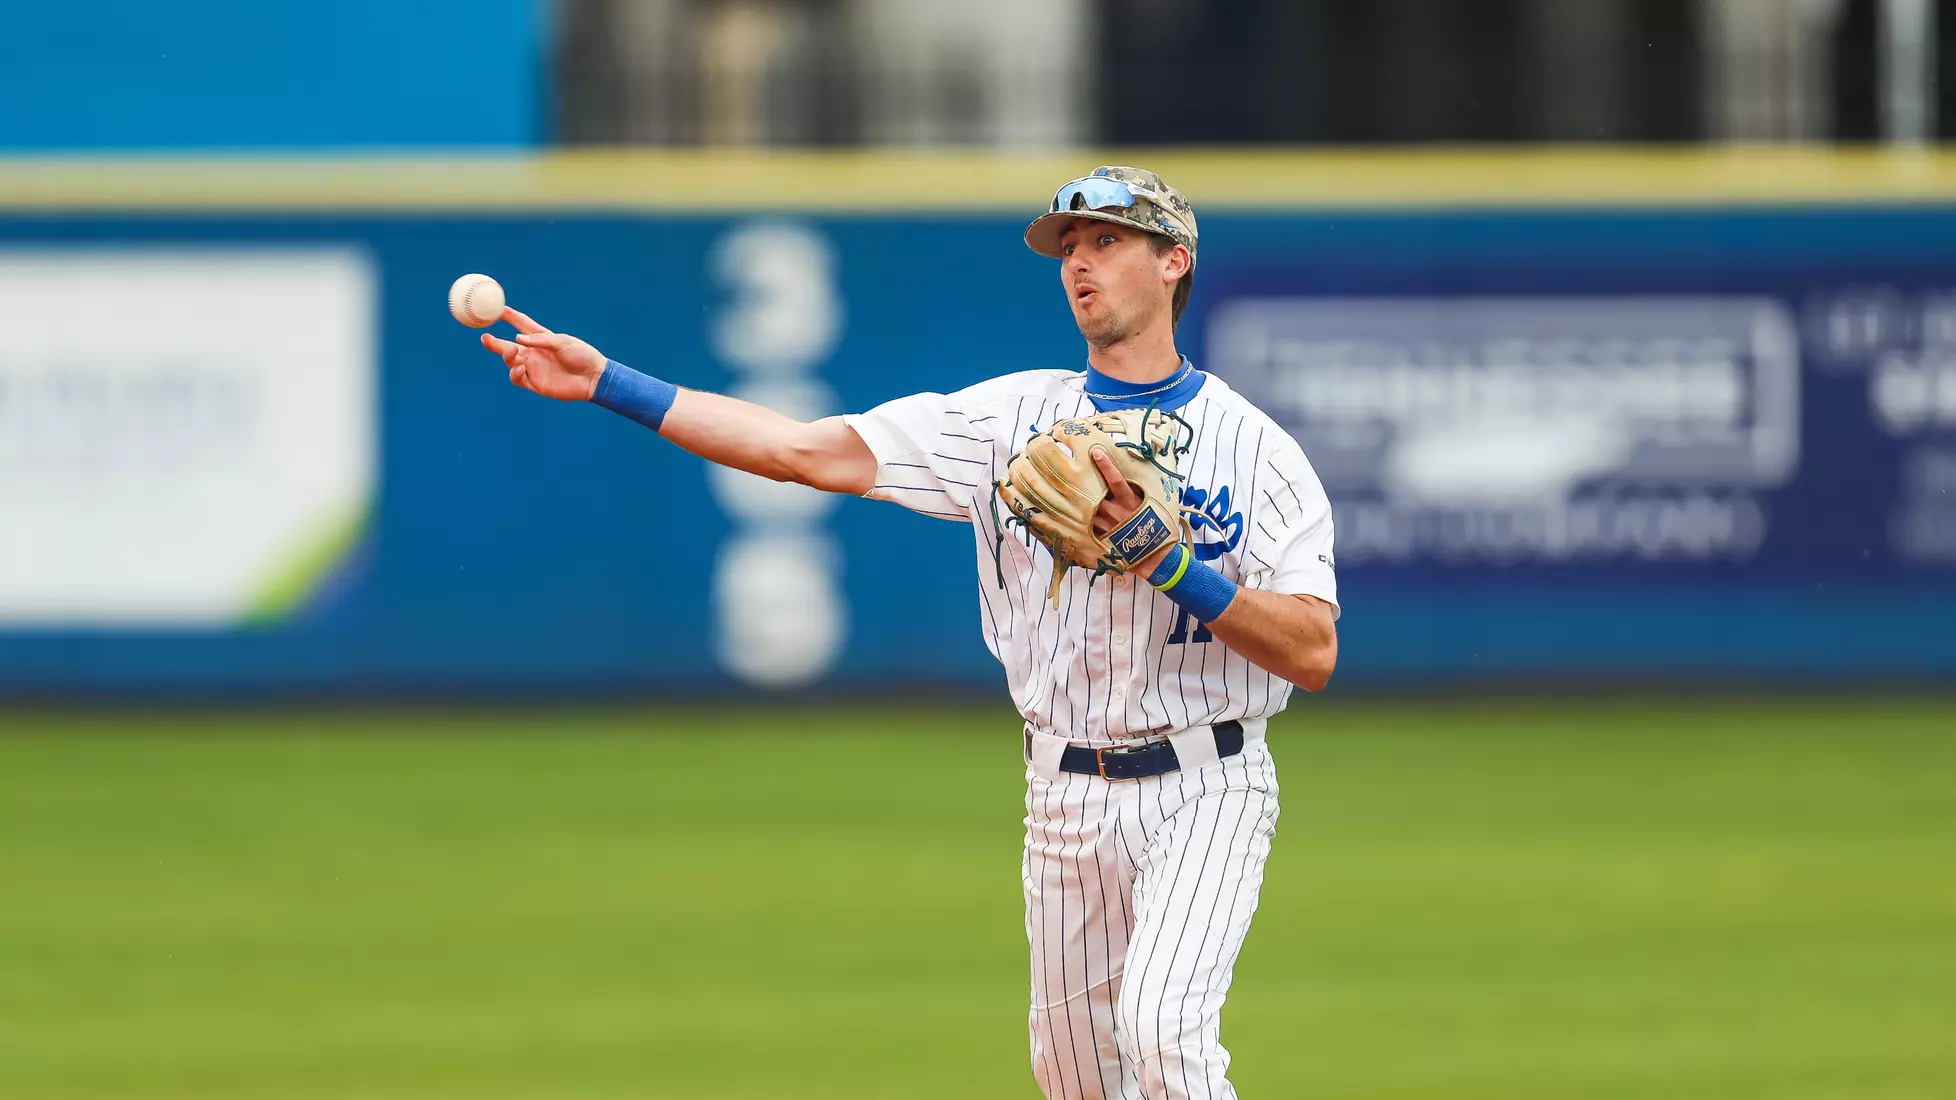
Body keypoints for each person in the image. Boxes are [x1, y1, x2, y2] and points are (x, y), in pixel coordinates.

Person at [480, 166, 1339, 1100]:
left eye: (1107, 242)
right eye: (1069, 247)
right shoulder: (1007, 420)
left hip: (1206, 787)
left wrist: (1170, 564)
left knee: (1163, 1034)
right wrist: (610, 381)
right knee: (1076, 1078)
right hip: (1061, 793)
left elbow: (1313, 650)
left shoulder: (1256, 451)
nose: (1079, 264)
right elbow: (797, 450)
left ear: (1174, 262)